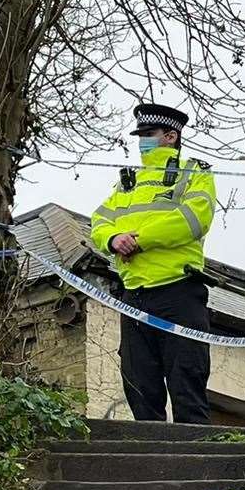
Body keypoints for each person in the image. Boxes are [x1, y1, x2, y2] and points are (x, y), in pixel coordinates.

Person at [89, 103, 218, 423]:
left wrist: (138, 239)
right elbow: (100, 221)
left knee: (186, 384)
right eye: (140, 135)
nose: (141, 141)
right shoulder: (126, 183)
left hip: (179, 292)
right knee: (139, 386)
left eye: (148, 134)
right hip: (134, 296)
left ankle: (197, 465)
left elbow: (192, 220)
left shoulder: (194, 173)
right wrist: (112, 240)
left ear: (171, 136)